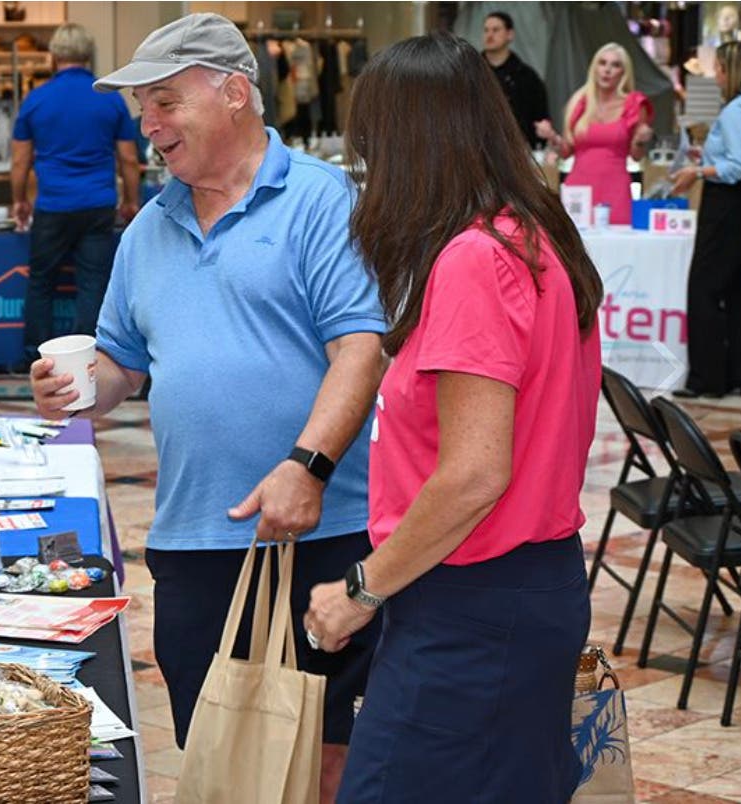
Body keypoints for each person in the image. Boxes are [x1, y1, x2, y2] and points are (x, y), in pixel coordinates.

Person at [32, 14, 386, 801]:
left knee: (329, 757)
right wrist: (80, 386)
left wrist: (308, 466)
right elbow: (123, 361)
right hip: (194, 539)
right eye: (142, 110)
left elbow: (359, 348)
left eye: (164, 102)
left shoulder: (322, 202)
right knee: (221, 749)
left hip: (323, 533)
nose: (148, 126)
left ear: (234, 93)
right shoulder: (146, 229)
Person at [304, 33, 603, 802]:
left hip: (473, 602)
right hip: (528, 586)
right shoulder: (537, 237)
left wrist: (361, 590)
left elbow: (474, 474)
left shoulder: (475, 260)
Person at [10, 23, 141, 365]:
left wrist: (19, 201)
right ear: (88, 55)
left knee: (41, 282)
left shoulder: (35, 99)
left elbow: (20, 162)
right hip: (97, 204)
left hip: (52, 205)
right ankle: (87, 359)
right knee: (93, 282)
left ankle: (33, 358)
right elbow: (128, 158)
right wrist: (131, 200)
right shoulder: (109, 98)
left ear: (53, 56)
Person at [671, 41, 741, 399]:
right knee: (737, 291)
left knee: (704, 288)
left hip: (726, 205)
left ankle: (706, 378)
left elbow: (740, 165)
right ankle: (737, 374)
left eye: (718, 68)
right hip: (740, 206)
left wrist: (698, 170)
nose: (714, 75)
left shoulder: (736, 109)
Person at [536, 43, 654, 225]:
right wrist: (552, 137)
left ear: (624, 72)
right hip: (579, 188)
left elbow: (636, 157)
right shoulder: (579, 102)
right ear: (594, 68)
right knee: (573, 245)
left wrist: (639, 141)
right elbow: (566, 151)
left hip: (616, 187)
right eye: (602, 63)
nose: (607, 70)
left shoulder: (634, 104)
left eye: (615, 65)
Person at [481, 11, 550, 148]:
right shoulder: (470, 73)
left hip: (517, 149)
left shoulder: (527, 77)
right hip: (477, 146)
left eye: (496, 30)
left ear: (509, 34)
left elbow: (540, 118)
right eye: (486, 30)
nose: (489, 35)